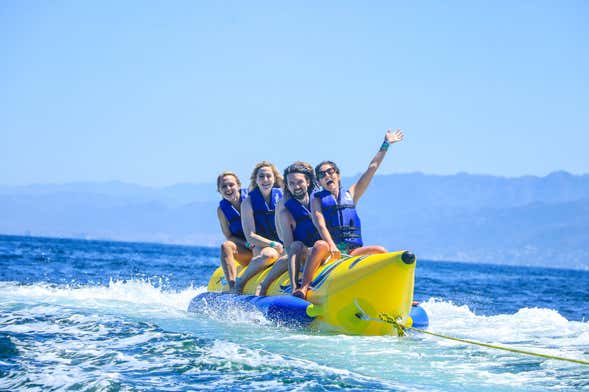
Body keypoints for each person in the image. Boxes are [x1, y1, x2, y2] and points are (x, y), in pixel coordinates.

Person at [293, 129, 405, 299]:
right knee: (319, 245)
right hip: (329, 251)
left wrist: (386, 144)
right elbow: (319, 222)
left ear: (338, 175)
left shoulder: (352, 194)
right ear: (319, 181)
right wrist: (331, 245)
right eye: (322, 175)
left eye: (330, 171)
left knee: (381, 251)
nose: (327, 175)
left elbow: (372, 169)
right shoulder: (317, 198)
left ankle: (396, 294)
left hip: (352, 251)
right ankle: (304, 287)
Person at [256, 161, 326, 296]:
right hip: (302, 253)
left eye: (299, 182)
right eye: (292, 184)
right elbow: (289, 246)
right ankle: (286, 288)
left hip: (323, 250)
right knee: (296, 246)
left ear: (308, 182)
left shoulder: (320, 201)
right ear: (287, 186)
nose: (297, 187)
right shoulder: (285, 210)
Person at [235, 161, 284, 293]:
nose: (265, 180)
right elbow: (250, 236)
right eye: (261, 176)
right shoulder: (248, 203)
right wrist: (273, 244)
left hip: (283, 246)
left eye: (269, 176)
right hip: (262, 247)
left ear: (274, 179)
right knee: (269, 255)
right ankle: (240, 282)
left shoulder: (283, 198)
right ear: (256, 180)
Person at [216, 171, 252, 292]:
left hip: (264, 246)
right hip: (246, 249)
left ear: (238, 185)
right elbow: (229, 235)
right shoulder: (222, 210)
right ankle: (233, 288)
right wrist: (247, 243)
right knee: (226, 246)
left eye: (231, 185)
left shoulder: (251, 199)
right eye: (224, 186)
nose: (228, 189)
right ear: (219, 191)